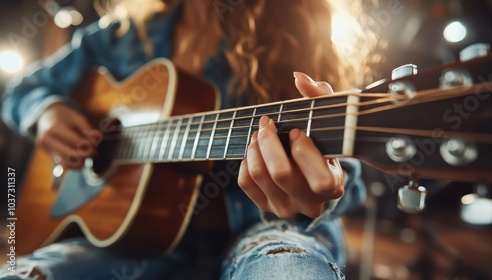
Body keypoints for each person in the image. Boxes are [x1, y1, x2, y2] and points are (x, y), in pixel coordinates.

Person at [1, 0, 378, 279]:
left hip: (265, 231)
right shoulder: (124, 35)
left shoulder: (300, 28)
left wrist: (327, 186)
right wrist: (46, 112)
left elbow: (347, 160)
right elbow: (22, 91)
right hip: (131, 244)